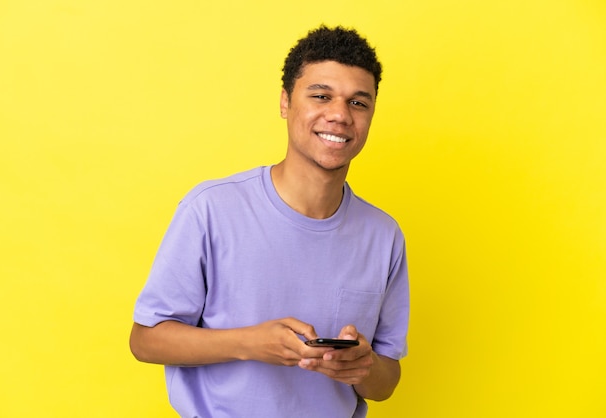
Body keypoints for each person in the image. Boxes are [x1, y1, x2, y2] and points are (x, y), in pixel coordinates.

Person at [130, 25, 410, 418]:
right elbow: (145, 341)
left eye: (358, 103)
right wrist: (249, 343)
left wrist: (362, 367)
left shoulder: (384, 236)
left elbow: (387, 381)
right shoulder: (211, 209)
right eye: (321, 96)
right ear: (285, 102)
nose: (339, 115)